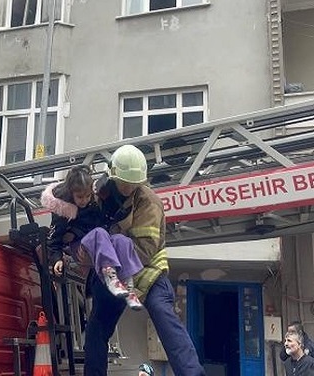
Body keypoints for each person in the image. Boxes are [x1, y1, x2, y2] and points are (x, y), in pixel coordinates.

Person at [85, 144, 205, 376]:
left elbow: (145, 248)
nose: (128, 188)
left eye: (133, 184)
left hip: (147, 271)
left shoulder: (149, 202)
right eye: (123, 183)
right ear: (112, 176)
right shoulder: (100, 195)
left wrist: (115, 256)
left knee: (163, 314)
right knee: (97, 327)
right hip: (114, 273)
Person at [41, 164, 143, 310]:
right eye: (80, 197)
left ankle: (129, 286)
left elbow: (107, 218)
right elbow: (54, 238)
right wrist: (57, 258)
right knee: (99, 233)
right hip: (80, 247)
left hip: (101, 244)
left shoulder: (95, 202)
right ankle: (110, 277)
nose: (84, 200)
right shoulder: (63, 210)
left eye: (88, 196)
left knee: (122, 240)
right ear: (71, 193)